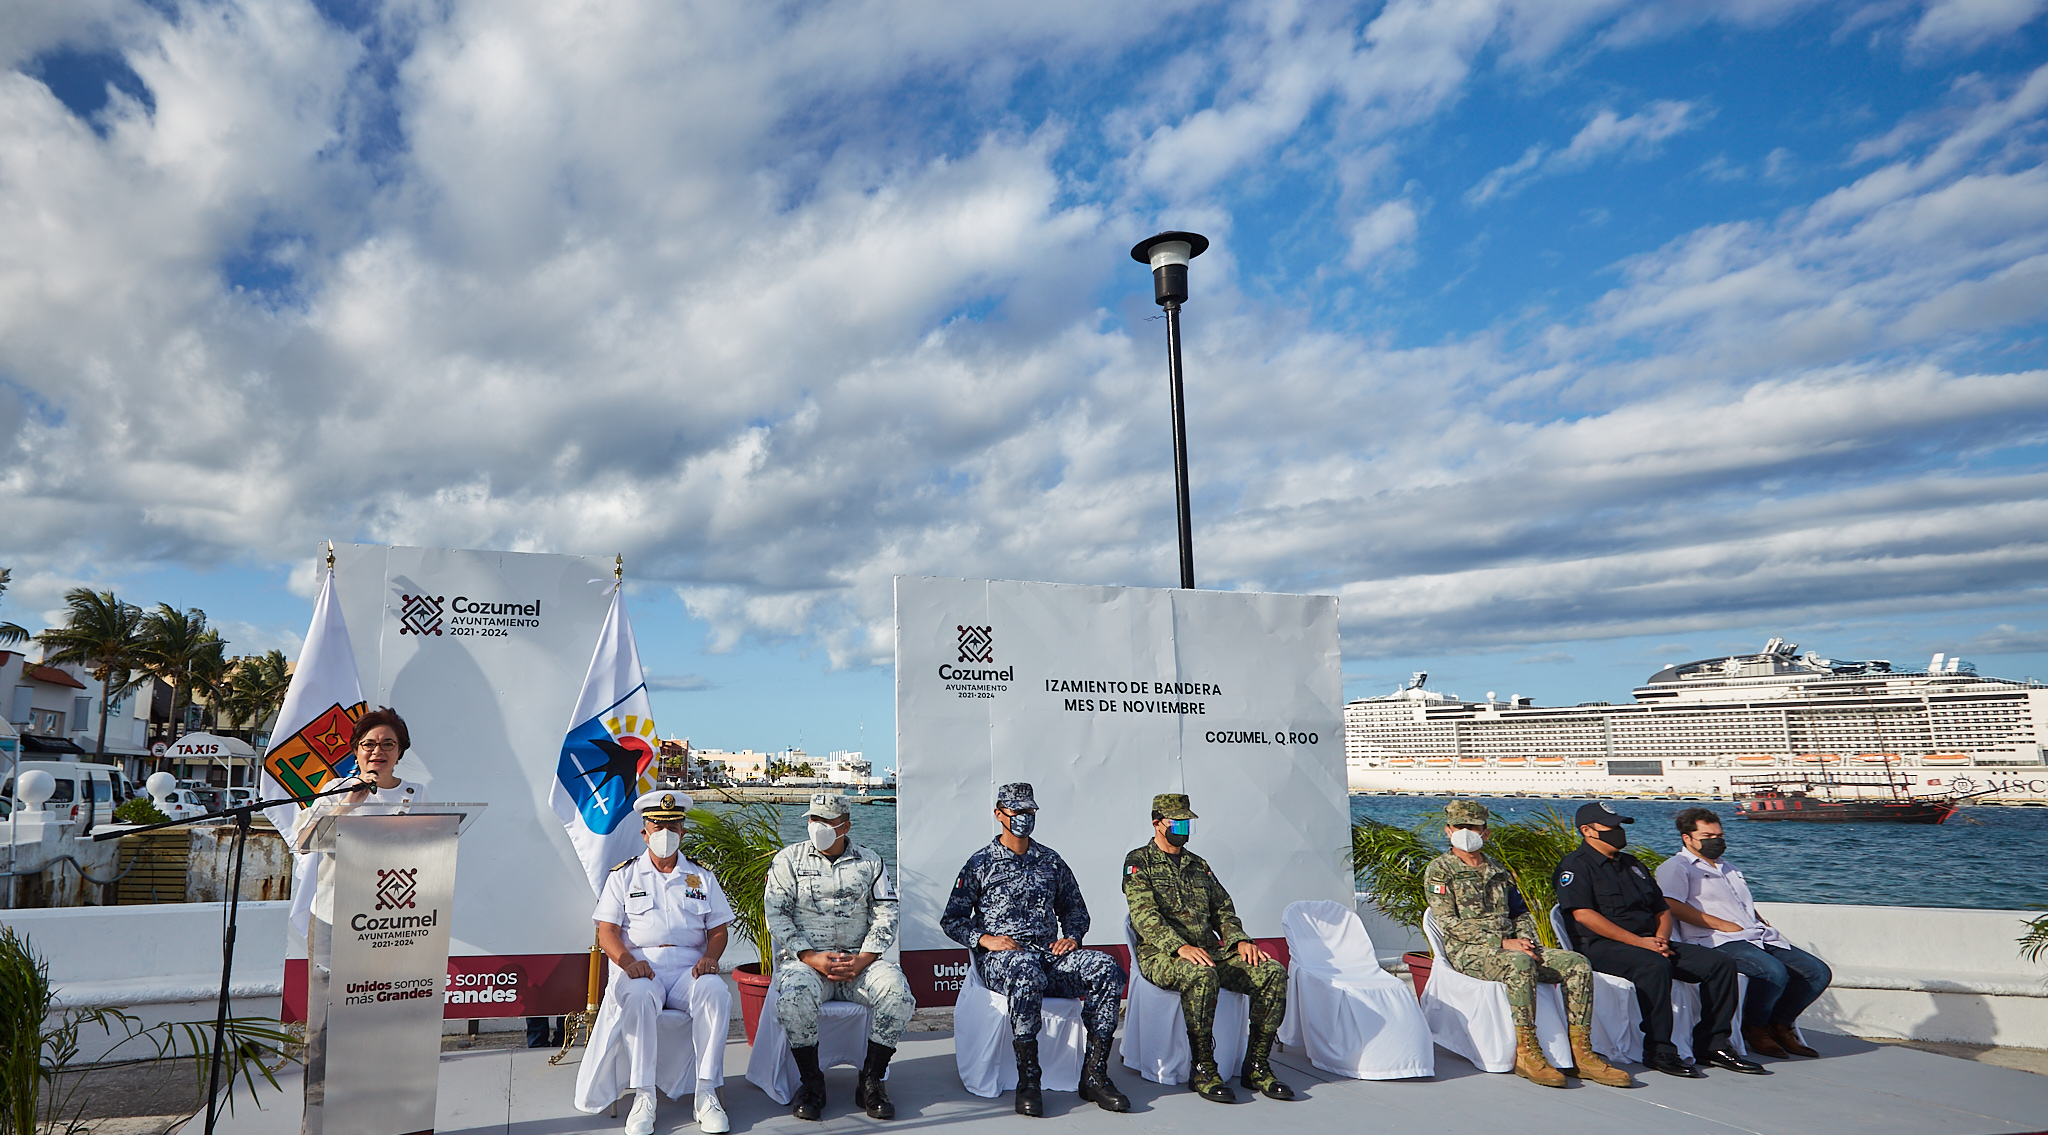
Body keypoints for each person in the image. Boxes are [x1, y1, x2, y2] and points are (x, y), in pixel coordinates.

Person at [941, 782, 1131, 1117]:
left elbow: (1075, 910)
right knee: (1025, 972)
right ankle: (1029, 1078)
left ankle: (1095, 1074)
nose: (1024, 819)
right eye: (1017, 812)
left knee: (1106, 969)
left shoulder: (1050, 861)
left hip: (1049, 956)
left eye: (1029, 812)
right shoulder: (980, 863)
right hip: (1004, 960)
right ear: (999, 814)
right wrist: (986, 940)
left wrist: (1072, 936)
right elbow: (953, 919)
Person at [1422, 801, 1632, 1088]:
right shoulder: (1440, 870)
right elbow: (1448, 924)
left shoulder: (1499, 871)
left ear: (1486, 833)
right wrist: (1502, 942)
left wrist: (1526, 941)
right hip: (1469, 950)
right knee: (1519, 964)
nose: (1467, 832)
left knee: (1576, 963)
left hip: (1513, 945)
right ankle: (1527, 1052)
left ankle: (1582, 1053)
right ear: (1449, 831)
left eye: (1474, 827)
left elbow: (1519, 912)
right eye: (1461, 827)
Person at [287, 708, 427, 1127]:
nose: (377, 751)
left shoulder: (416, 796)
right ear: (356, 751)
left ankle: (381, 1117)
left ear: (400, 752)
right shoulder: (334, 791)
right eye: (368, 744)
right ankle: (318, 1122)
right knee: (325, 1027)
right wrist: (350, 802)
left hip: (394, 924)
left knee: (384, 1022)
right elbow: (304, 842)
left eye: (387, 744)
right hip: (334, 919)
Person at [1554, 801, 1763, 1079]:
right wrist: (1641, 943)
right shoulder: (1575, 867)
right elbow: (1584, 916)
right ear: (1587, 831)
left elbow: (1660, 908)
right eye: (1612, 827)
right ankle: (1659, 1049)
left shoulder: (1633, 865)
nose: (1618, 832)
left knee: (1720, 964)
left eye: (1619, 826)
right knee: (1654, 966)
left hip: (1650, 942)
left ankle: (1712, 1044)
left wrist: (1660, 939)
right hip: (1602, 946)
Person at [575, 791, 734, 1135]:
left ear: (683, 832)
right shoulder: (623, 876)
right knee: (639, 996)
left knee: (717, 993)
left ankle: (705, 1092)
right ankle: (644, 1096)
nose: (665, 833)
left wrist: (710, 958)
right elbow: (607, 932)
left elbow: (718, 930)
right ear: (644, 832)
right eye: (657, 826)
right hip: (641, 966)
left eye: (672, 826)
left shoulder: (701, 877)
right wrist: (628, 962)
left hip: (688, 968)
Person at [1122, 793, 1291, 1104]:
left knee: (1271, 973)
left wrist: (1239, 940)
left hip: (1210, 952)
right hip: (1162, 955)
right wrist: (1179, 947)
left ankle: (1257, 1064)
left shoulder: (1198, 865)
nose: (1184, 828)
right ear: (1157, 823)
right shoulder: (1138, 862)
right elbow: (1144, 916)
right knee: (1201, 977)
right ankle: (1203, 1067)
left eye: (1188, 822)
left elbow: (1223, 909)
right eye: (1178, 821)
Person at [764, 792, 916, 1122]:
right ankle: (812, 1084)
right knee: (793, 999)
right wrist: (809, 955)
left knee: (899, 995)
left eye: (826, 822)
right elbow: (776, 914)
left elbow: (887, 912)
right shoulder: (788, 861)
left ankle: (872, 1080)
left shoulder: (870, 862)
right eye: (813, 821)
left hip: (859, 965)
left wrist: (865, 957)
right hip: (808, 964)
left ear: (845, 825)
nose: (817, 827)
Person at [1655, 808, 1829, 1059]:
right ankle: (1755, 1027)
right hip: (1714, 939)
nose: (1716, 840)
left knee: (1817, 973)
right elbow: (1670, 903)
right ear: (1687, 838)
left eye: (1719, 835)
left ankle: (1780, 1024)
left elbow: (1739, 902)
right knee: (1772, 972)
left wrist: (1757, 921)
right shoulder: (1677, 867)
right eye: (1707, 835)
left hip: (1755, 935)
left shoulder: (1729, 868)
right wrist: (1720, 924)